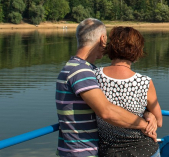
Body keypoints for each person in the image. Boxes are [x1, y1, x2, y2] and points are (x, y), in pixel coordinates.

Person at [56, 19, 157, 157]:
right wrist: (145, 125)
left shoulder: (80, 69)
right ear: (102, 39)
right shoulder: (81, 71)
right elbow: (107, 112)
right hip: (82, 153)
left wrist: (147, 112)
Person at [95, 26, 163, 157]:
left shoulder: (94, 76)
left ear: (111, 47)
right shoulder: (144, 82)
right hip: (146, 150)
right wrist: (150, 114)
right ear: (137, 51)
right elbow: (159, 122)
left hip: (110, 151)